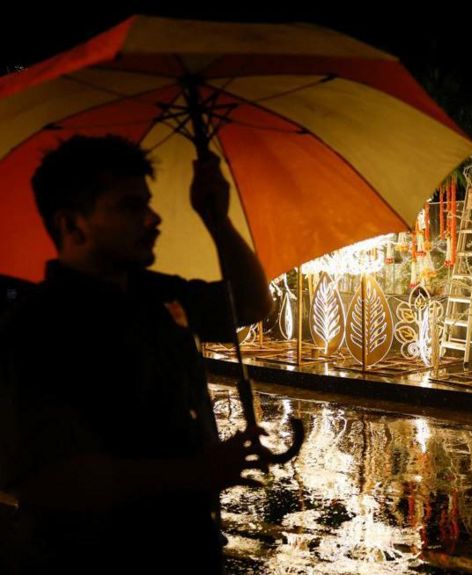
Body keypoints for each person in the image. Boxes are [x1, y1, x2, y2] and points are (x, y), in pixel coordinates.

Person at [0, 135, 274, 574]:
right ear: (73, 226)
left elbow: (251, 304)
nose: (154, 218)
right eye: (130, 206)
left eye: (147, 203)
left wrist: (217, 220)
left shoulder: (158, 293)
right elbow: (49, 479)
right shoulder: (39, 326)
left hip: (187, 548)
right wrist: (196, 472)